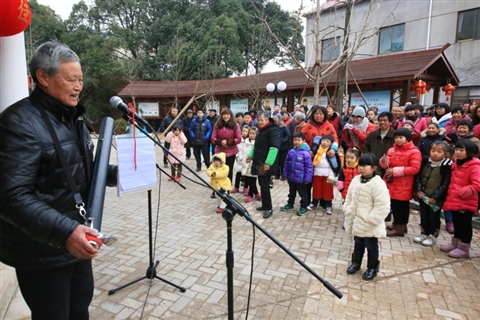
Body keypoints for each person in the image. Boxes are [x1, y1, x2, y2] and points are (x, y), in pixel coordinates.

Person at [0, 41, 118, 319]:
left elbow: (78, 168)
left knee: (79, 311)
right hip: (41, 249)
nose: (78, 86)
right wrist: (65, 231)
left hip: (75, 241)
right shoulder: (18, 123)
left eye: (80, 79)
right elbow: (10, 195)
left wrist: (114, 174)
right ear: (43, 78)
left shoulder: (72, 117)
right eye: (70, 79)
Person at [344, 153, 390, 281]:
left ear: (374, 168)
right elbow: (349, 197)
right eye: (360, 165)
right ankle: (356, 263)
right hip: (357, 221)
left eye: (365, 165)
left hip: (369, 223)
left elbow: (383, 205)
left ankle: (372, 268)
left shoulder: (378, 184)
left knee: (371, 246)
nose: (361, 168)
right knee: (358, 244)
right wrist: (347, 209)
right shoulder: (356, 180)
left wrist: (371, 219)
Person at [440, 140, 480, 258]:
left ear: (470, 152)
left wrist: (465, 191)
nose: (457, 152)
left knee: (465, 224)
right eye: (456, 149)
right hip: (455, 199)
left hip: (466, 201)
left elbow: (477, 184)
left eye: (461, 150)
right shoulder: (456, 163)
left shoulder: (474, 166)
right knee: (457, 222)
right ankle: (456, 243)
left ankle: (464, 248)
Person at [380, 128, 422, 237]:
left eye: (401, 137)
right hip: (392, 182)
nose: (398, 140)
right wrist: (384, 161)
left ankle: (400, 227)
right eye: (396, 137)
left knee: (401, 205)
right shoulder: (392, 150)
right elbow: (386, 165)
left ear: (407, 139)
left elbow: (414, 168)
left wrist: (394, 171)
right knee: (396, 204)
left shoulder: (414, 152)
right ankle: (399, 224)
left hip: (404, 183)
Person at [414, 141, 452, 246]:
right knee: (424, 215)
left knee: (433, 216)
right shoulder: (425, 162)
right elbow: (418, 177)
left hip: (436, 199)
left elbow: (445, 184)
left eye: (439, 151)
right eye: (433, 151)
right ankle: (424, 233)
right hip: (423, 195)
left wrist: (435, 197)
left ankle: (432, 235)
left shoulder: (446, 166)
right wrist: (418, 189)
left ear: (446, 154)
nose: (435, 153)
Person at [245, 111, 281, 219]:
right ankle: (265, 205)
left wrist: (268, 163)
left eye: (262, 120)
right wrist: (250, 156)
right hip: (259, 161)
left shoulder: (273, 130)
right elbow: (256, 146)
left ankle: (268, 208)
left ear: (267, 119)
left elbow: (274, 148)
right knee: (262, 184)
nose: (260, 122)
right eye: (258, 120)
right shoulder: (260, 130)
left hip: (265, 163)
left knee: (265, 185)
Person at [280, 132, 313, 216]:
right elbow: (286, 164)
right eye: (295, 140)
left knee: (303, 194)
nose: (297, 142)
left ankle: (303, 207)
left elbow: (309, 168)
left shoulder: (306, 154)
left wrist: (307, 179)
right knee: (291, 192)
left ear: (303, 141)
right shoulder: (291, 151)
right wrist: (285, 174)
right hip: (291, 178)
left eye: (299, 140)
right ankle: (290, 204)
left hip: (301, 179)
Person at [309, 135, 341, 214]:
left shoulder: (331, 152)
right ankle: (314, 202)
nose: (324, 143)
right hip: (317, 173)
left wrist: (333, 174)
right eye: (323, 140)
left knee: (328, 190)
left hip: (328, 173)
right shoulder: (316, 149)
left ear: (330, 144)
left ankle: (328, 205)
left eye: (327, 141)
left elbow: (335, 164)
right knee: (316, 189)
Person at [211, 107, 242, 185]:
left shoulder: (235, 125)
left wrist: (228, 142)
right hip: (219, 151)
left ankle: (227, 188)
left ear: (230, 115)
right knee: (217, 169)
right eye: (224, 115)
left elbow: (238, 139)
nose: (226, 116)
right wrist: (220, 142)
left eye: (227, 114)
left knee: (228, 170)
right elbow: (213, 138)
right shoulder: (217, 125)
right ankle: (216, 188)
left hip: (231, 152)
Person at [364, 111, 396, 177]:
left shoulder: (395, 136)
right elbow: (365, 149)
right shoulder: (372, 135)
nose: (382, 122)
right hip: (373, 167)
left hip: (388, 169)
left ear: (390, 122)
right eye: (380, 120)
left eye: (385, 120)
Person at [232, 125, 250, 194]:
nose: (245, 133)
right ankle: (236, 187)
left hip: (246, 160)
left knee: (246, 174)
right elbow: (237, 148)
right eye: (243, 131)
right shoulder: (239, 140)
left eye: (246, 131)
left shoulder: (249, 141)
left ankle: (246, 187)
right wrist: (238, 157)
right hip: (239, 159)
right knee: (238, 173)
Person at [273, 114, 291, 180]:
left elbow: (288, 136)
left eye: (276, 118)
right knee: (276, 161)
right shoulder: (273, 127)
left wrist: (282, 141)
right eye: (274, 118)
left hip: (283, 148)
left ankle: (283, 175)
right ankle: (277, 175)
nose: (275, 119)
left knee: (282, 162)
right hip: (275, 147)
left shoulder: (284, 127)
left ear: (279, 119)